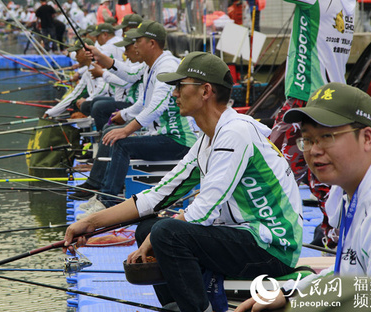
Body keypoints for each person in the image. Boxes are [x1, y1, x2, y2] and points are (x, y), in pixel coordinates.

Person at [65, 52, 303, 312]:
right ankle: (177, 305)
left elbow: (203, 211)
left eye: (180, 86)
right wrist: (89, 223)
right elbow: (155, 196)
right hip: (244, 237)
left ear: (205, 91)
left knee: (164, 232)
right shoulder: (207, 140)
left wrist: (159, 234)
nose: (175, 93)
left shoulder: (235, 133)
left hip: (273, 248)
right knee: (148, 228)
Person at [232, 0, 356, 247]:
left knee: (267, 165)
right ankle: (334, 235)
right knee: (322, 177)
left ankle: (257, 234)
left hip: (306, 104)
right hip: (327, 100)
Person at [235, 82, 371, 312]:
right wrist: (290, 293)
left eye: (327, 136)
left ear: (367, 138)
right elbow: (346, 272)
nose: (314, 150)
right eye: (308, 139)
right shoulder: (350, 193)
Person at [68, 22, 194, 209]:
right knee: (112, 132)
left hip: (177, 140)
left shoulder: (166, 66)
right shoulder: (150, 66)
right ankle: (98, 188)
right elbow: (129, 75)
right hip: (159, 135)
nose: (134, 45)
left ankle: (107, 202)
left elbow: (157, 106)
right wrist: (100, 55)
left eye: (138, 41)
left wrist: (127, 129)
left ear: (152, 43)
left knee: (121, 143)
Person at [83, 30, 144, 130]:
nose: (125, 53)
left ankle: (101, 138)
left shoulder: (147, 64)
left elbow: (126, 82)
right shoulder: (138, 63)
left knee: (99, 108)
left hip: (135, 108)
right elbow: (128, 74)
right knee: (96, 103)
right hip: (132, 104)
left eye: (127, 48)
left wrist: (102, 73)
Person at [42, 38, 109, 119]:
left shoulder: (100, 67)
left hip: (108, 103)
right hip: (98, 104)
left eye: (77, 52)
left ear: (85, 52)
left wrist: (87, 100)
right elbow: (73, 95)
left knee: (84, 105)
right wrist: (50, 112)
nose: (76, 56)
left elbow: (103, 89)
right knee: (80, 104)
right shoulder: (86, 74)